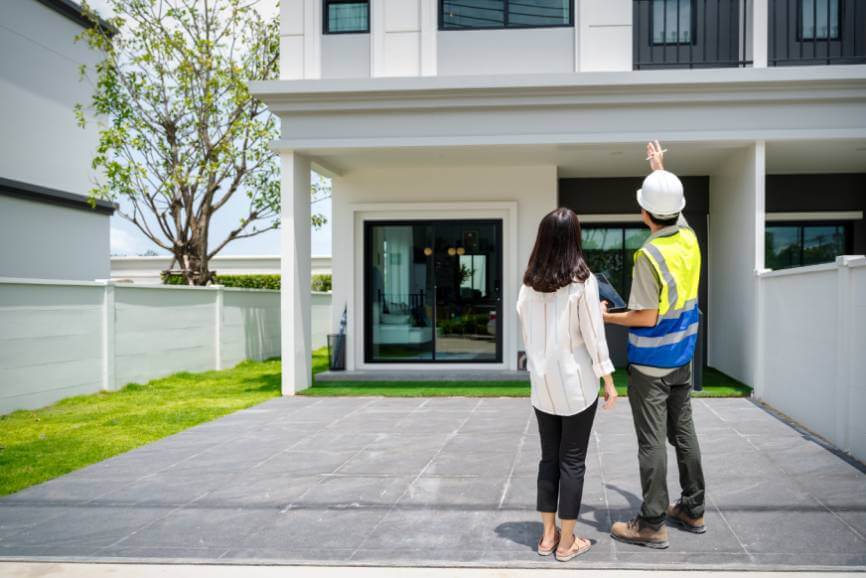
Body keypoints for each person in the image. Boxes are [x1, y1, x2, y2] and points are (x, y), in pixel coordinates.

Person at [603, 141, 706, 549]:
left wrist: (606, 315)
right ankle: (693, 509)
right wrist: (661, 171)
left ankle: (651, 523)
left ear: (644, 213)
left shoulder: (649, 254)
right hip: (683, 357)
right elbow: (673, 209)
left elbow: (644, 316)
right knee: (683, 434)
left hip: (650, 364)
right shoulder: (689, 238)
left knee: (651, 442)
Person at [516, 207, 619, 562]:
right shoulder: (583, 282)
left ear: (543, 239)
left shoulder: (529, 283)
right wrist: (608, 379)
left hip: (542, 384)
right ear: (573, 238)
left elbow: (527, 329)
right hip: (576, 386)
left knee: (549, 459)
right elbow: (594, 336)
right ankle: (567, 543)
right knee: (572, 462)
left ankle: (547, 537)